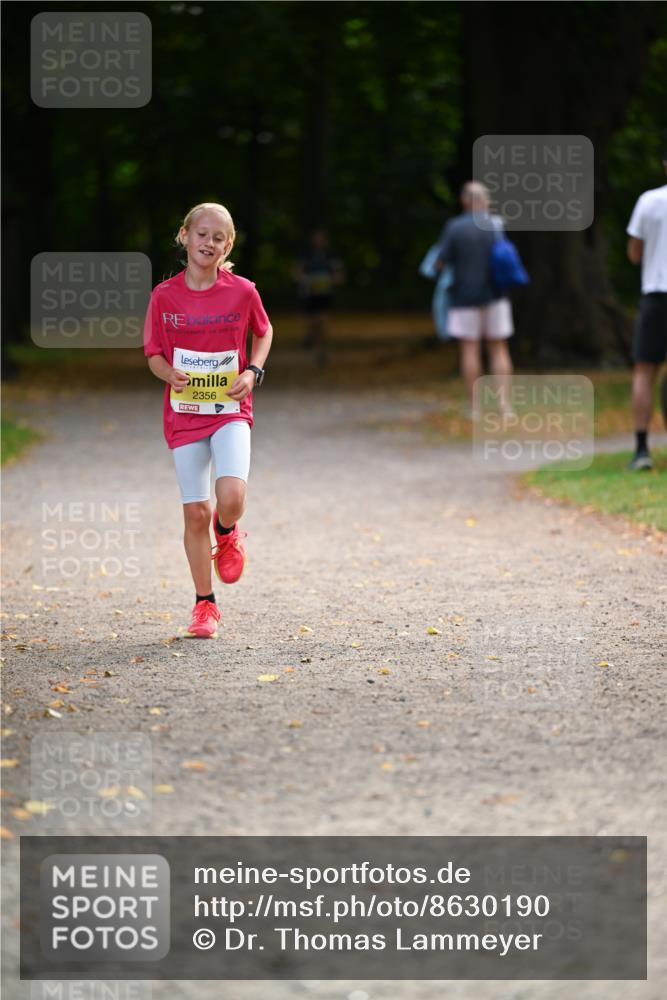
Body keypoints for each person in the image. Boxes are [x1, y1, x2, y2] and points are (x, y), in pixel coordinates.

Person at [144, 202, 273, 638]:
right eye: (202, 234)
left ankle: (228, 529)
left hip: (230, 408)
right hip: (185, 414)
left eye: (219, 238)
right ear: (185, 236)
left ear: (228, 246)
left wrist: (252, 371)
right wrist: (168, 373)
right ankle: (205, 604)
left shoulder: (243, 291)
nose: (209, 243)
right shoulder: (164, 296)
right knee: (195, 513)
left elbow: (264, 331)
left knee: (231, 496)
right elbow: (154, 354)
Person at [436, 182, 514, 418]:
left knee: (470, 349)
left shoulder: (454, 227)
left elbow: (440, 262)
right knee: (498, 348)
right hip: (495, 295)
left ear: (464, 201)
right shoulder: (496, 225)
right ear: (486, 201)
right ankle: (504, 406)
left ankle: (475, 407)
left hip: (463, 297)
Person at [626, 156, 667, 471]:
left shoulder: (649, 201)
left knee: (644, 371)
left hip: (656, 294)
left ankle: (641, 449)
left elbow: (634, 253)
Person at [293, 229, 345, 367]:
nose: (319, 241)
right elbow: (297, 271)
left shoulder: (331, 255)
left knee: (321, 321)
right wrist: (306, 280)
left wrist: (330, 281)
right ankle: (311, 337)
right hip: (309, 294)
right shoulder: (306, 254)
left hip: (324, 295)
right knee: (312, 322)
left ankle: (321, 350)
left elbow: (339, 275)